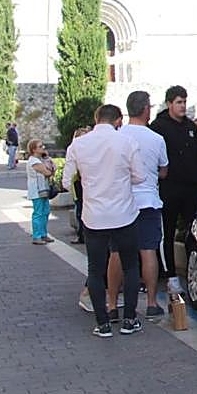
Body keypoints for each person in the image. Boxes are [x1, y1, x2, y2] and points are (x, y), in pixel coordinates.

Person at [63, 104, 145, 338]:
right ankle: (129, 319)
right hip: (124, 214)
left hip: (94, 216)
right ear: (118, 120)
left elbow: (67, 181)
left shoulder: (78, 144)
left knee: (95, 269)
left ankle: (103, 323)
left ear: (96, 118)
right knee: (130, 266)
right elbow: (139, 176)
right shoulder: (127, 142)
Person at [107, 91, 169, 321]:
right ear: (146, 109)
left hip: (121, 202)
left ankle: (112, 304)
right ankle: (152, 303)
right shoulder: (156, 139)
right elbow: (164, 170)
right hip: (148, 201)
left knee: (116, 253)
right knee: (148, 251)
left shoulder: (116, 136)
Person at [149, 85, 197, 291]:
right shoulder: (159, 127)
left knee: (193, 233)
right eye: (179, 102)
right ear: (170, 103)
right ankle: (170, 275)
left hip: (190, 189)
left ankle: (194, 274)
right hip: (169, 189)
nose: (182, 106)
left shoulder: (190, 126)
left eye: (184, 102)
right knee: (168, 233)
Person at [25, 139, 55, 244]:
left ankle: (43, 234)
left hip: (43, 190)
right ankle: (37, 236)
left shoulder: (40, 160)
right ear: (34, 149)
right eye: (40, 146)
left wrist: (46, 158)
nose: (43, 148)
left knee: (45, 212)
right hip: (37, 191)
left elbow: (52, 168)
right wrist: (49, 168)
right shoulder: (34, 161)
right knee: (38, 213)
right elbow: (47, 172)